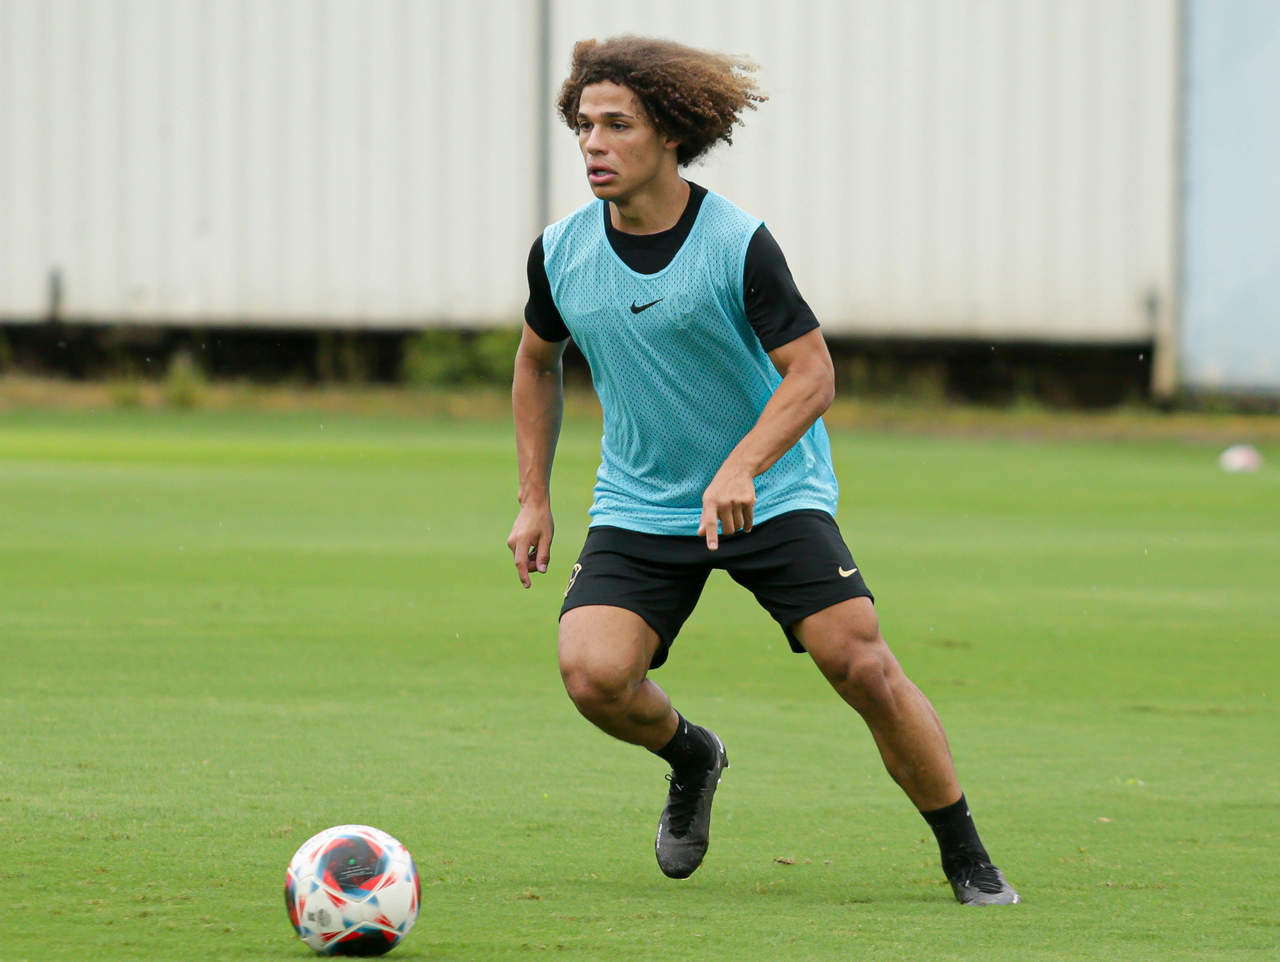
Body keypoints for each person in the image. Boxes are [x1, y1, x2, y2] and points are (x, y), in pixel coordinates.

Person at [506, 35, 1020, 905]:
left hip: (772, 492)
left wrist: (743, 465)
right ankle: (692, 755)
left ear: (669, 133)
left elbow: (813, 373)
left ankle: (966, 855)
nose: (593, 143)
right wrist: (532, 500)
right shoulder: (561, 253)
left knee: (858, 662)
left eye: (616, 124)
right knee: (594, 676)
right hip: (641, 501)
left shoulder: (735, 243)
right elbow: (534, 361)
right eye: (584, 124)